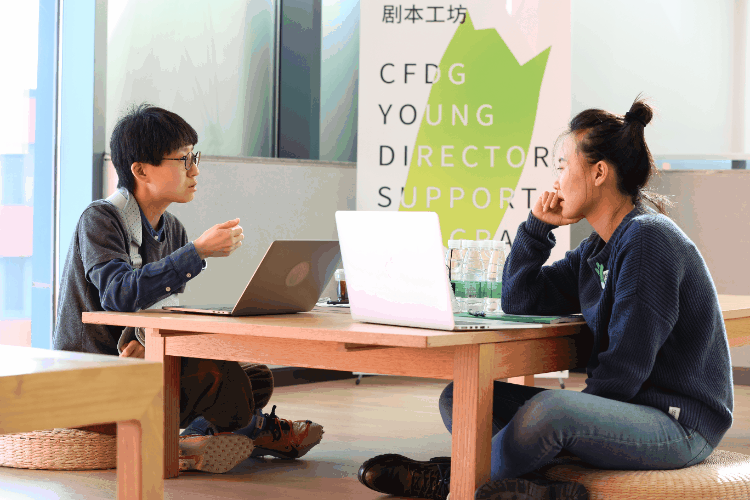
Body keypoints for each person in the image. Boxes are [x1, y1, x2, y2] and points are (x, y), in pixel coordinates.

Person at [357, 98, 733, 500]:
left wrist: (571, 422)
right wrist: (537, 228)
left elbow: (625, 368)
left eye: (562, 166)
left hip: (679, 423)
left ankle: (451, 480)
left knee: (552, 413)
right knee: (464, 399)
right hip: (631, 407)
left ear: (599, 172)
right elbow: (521, 299)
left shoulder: (647, 239)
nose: (556, 181)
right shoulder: (597, 249)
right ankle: (545, 490)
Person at [53, 104, 324, 473]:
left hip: (141, 364)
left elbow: (162, 309)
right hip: (96, 375)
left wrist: (150, 340)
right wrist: (196, 252)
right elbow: (117, 293)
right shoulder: (100, 219)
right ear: (140, 170)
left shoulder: (172, 229)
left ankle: (204, 435)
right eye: (183, 159)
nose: (194, 170)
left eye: (194, 157)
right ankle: (248, 430)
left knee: (257, 377)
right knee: (224, 380)